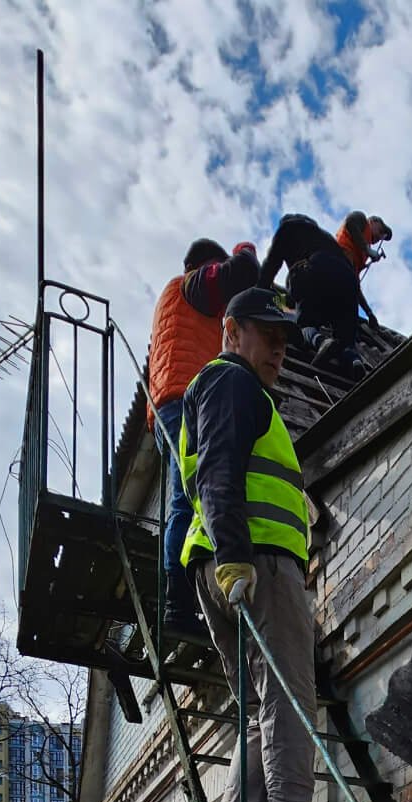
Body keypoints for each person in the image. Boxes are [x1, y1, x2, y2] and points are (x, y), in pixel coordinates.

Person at [179, 283, 353, 802]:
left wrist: (226, 558)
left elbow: (215, 473)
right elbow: (219, 472)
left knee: (257, 707)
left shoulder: (228, 391)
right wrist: (237, 557)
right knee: (288, 697)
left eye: (284, 340)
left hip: (226, 564)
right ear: (231, 331)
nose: (279, 350)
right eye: (267, 336)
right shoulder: (232, 383)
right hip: (256, 563)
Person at [145, 238, 260, 626]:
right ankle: (178, 603)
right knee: (189, 499)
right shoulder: (191, 284)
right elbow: (239, 274)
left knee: (187, 498)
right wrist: (244, 252)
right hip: (184, 402)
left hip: (167, 406)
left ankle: (182, 597)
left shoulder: (173, 302)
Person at [259, 212, 375, 370]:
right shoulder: (325, 237)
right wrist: (368, 312)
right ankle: (353, 359)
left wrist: (259, 294)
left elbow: (270, 267)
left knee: (304, 323)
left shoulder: (287, 229)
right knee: (346, 335)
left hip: (315, 271)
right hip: (348, 281)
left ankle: (320, 341)